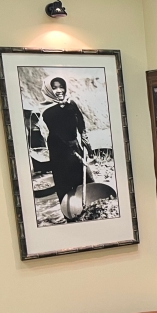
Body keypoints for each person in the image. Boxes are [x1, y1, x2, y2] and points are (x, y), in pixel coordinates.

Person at [39, 76, 94, 220]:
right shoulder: (47, 111)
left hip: (74, 145)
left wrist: (85, 140)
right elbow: (58, 133)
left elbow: (80, 122)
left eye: (61, 86)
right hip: (59, 151)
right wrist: (74, 154)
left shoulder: (71, 104)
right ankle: (70, 216)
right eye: (54, 87)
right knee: (65, 185)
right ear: (48, 90)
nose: (59, 90)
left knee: (87, 179)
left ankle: (90, 209)